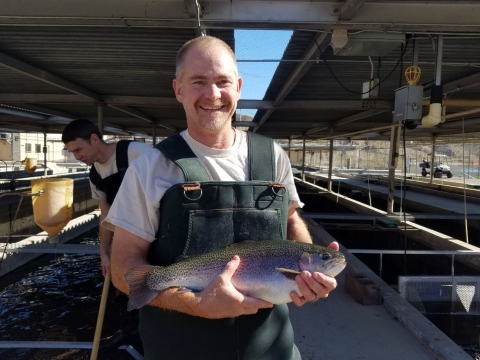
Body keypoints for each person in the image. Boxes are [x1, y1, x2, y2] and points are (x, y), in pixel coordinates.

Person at [104, 36, 339, 360]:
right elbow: (123, 270)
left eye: (223, 82)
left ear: (239, 87)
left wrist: (308, 271)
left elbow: (289, 219)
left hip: (271, 350)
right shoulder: (150, 167)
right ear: (178, 89)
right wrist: (195, 304)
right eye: (198, 81)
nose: (212, 94)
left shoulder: (273, 156)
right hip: (179, 349)